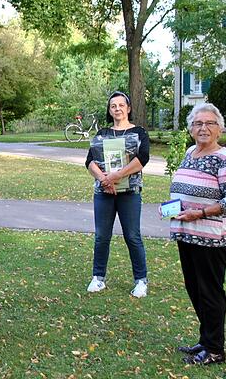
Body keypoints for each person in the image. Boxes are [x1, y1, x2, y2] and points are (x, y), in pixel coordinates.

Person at [168, 103, 226, 365]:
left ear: (219, 129)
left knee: (210, 292)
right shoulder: (190, 152)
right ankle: (205, 340)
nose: (203, 128)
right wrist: (172, 208)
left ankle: (215, 350)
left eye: (209, 123)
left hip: (211, 238)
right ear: (190, 129)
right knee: (195, 289)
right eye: (198, 123)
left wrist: (199, 213)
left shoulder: (225, 158)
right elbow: (185, 187)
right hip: (186, 233)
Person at [84, 91, 149, 297]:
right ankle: (98, 277)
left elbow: (143, 158)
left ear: (128, 108)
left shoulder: (139, 132)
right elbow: (90, 161)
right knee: (102, 236)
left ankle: (141, 280)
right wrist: (105, 179)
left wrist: (116, 176)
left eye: (121, 105)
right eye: (113, 106)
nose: (118, 109)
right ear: (109, 110)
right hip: (104, 192)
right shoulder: (101, 134)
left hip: (129, 192)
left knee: (132, 236)